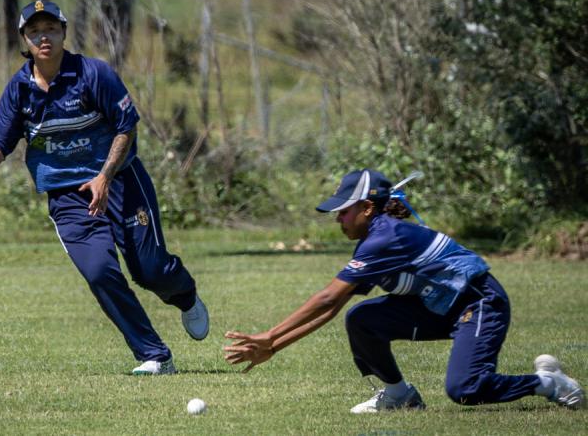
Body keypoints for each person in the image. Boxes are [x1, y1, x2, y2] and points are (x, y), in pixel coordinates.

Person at [0, 0, 209, 375]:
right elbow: (0, 141)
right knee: (100, 272)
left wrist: (104, 176)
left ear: (64, 33)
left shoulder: (93, 74)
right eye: (35, 31)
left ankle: (186, 296)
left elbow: (126, 126)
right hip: (68, 197)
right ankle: (154, 355)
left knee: (150, 270)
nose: (44, 37)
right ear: (24, 38)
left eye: (51, 29)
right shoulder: (19, 90)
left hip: (120, 181)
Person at [224, 168, 584, 412]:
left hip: (481, 304)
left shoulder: (385, 239)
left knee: (466, 390)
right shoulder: (373, 239)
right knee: (362, 318)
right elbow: (334, 310)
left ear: (367, 208)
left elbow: (326, 298)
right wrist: (273, 346)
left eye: (344, 211)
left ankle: (547, 383)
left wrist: (269, 335)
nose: (338, 219)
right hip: (440, 309)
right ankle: (399, 395)